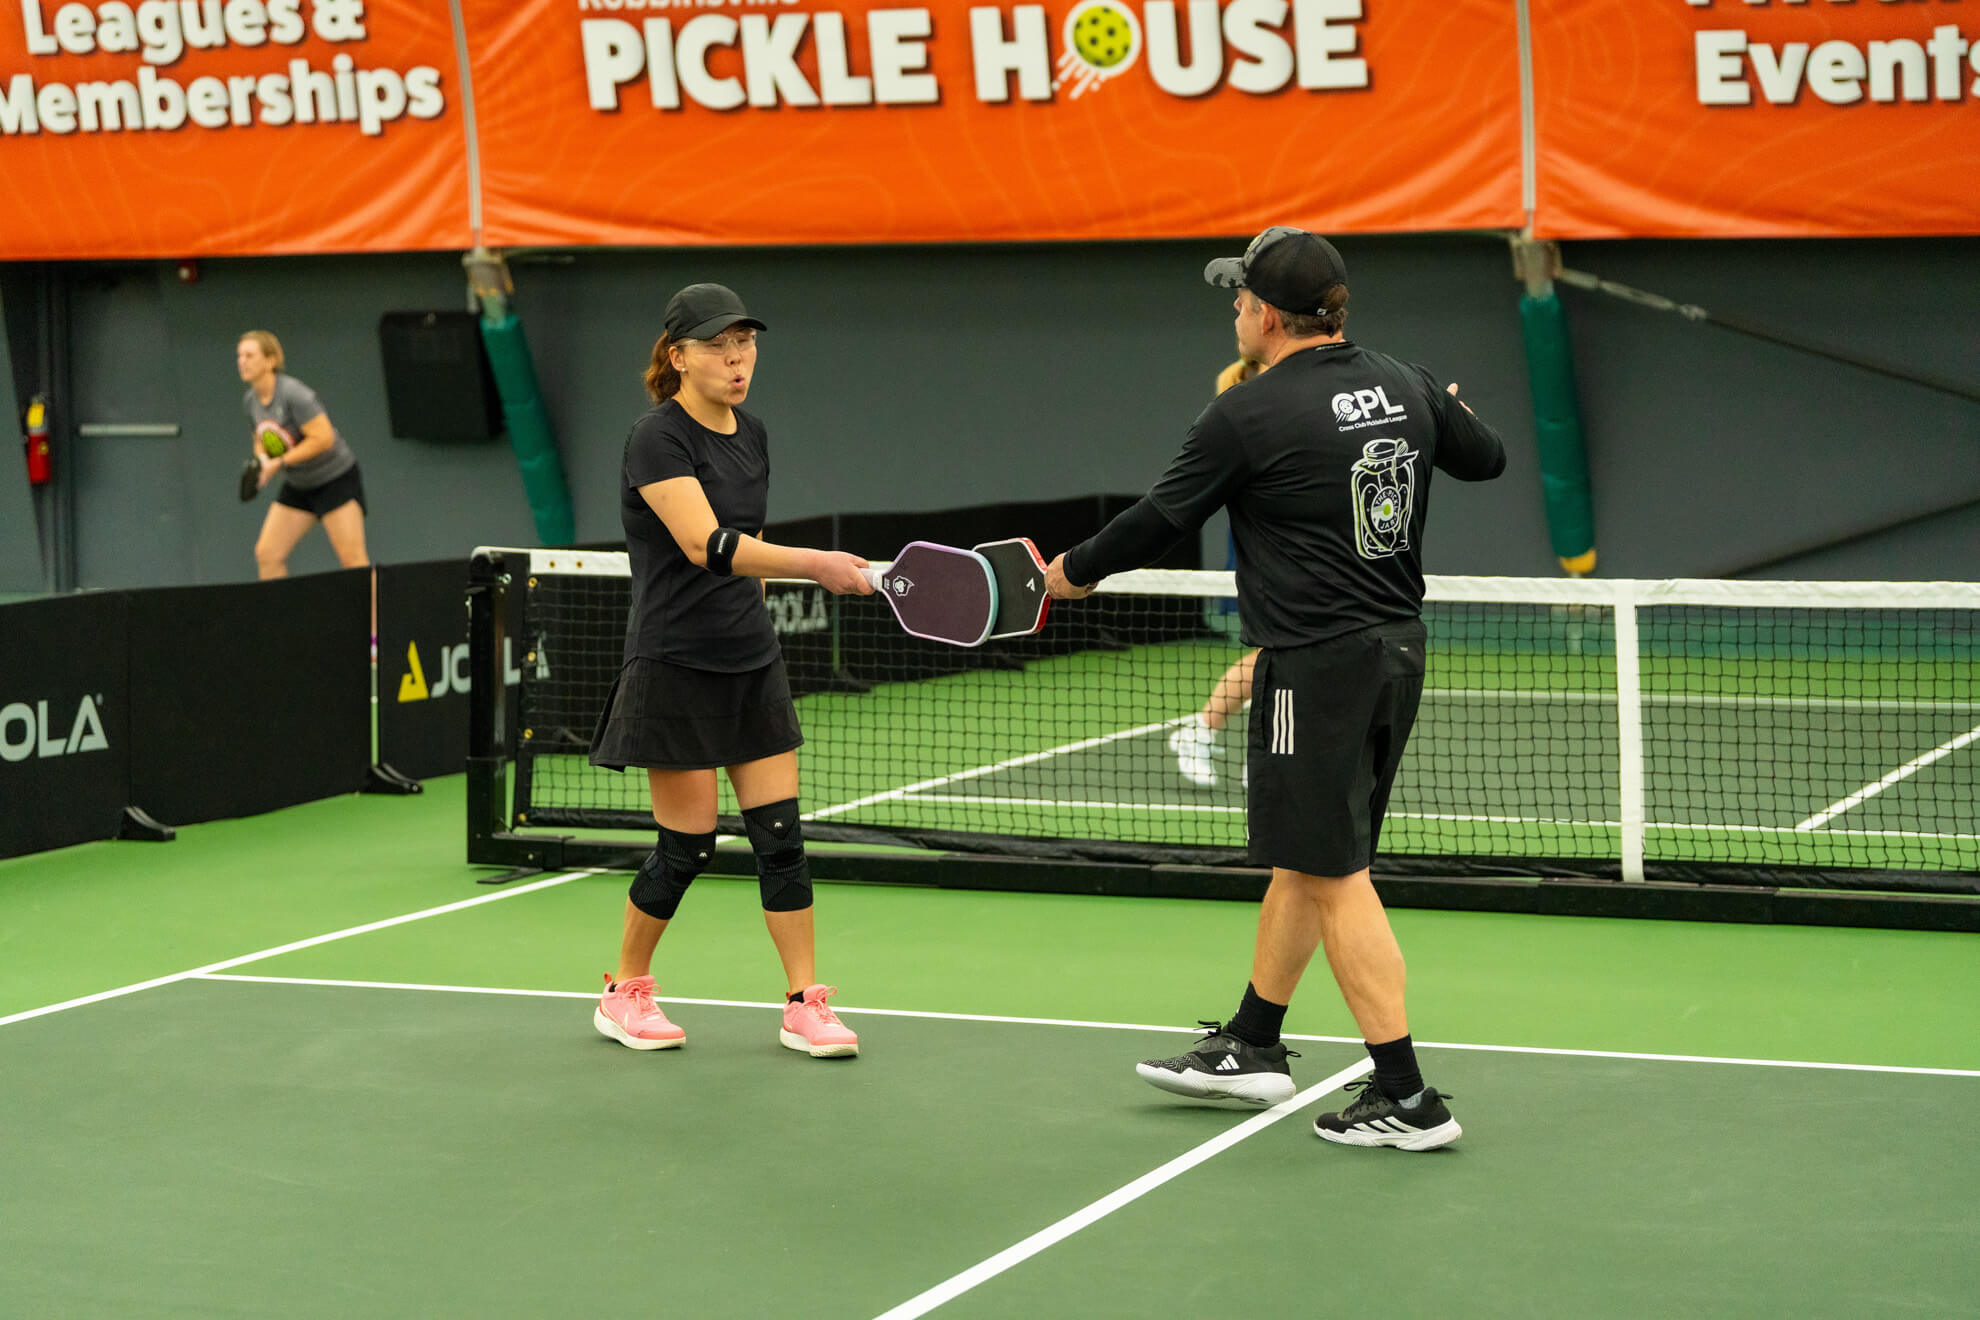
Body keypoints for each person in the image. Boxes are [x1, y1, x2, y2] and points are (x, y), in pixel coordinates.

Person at [1044, 228, 1506, 1150]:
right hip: (1395, 652)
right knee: (1307, 856)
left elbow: (1159, 518)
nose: (1233, 309)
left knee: (1335, 874)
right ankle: (1253, 1042)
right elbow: (1485, 456)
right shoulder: (1407, 383)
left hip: (1312, 663)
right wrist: (1440, 413)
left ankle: (1407, 1096)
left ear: (1266, 314)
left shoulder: (1246, 414)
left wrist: (1073, 572)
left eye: (1240, 296)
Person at [588, 282, 875, 1060]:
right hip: (675, 660)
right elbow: (707, 546)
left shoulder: (753, 433)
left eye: (745, 342)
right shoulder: (656, 438)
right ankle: (625, 991)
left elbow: (747, 547)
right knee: (686, 846)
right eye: (717, 346)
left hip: (749, 656)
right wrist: (816, 563)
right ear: (678, 356)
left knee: (780, 838)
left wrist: (778, 595)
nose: (737, 358)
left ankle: (804, 1004)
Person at [1170, 352, 1265, 789]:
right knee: (1275, 655)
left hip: (1294, 553)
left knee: (1288, 656)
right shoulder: (1247, 421)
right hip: (1268, 553)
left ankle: (1259, 751)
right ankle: (1205, 733)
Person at [237, 331, 369, 582]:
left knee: (352, 560)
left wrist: (279, 462)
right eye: (240, 356)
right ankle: (280, 608)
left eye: (250, 355)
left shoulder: (294, 394)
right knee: (268, 554)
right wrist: (262, 462)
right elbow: (260, 438)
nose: (242, 361)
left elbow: (323, 438)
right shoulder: (251, 401)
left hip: (335, 479)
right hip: (299, 484)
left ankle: (373, 609)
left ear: (271, 360)